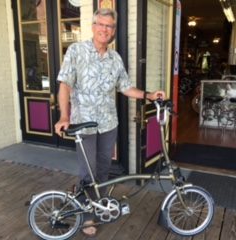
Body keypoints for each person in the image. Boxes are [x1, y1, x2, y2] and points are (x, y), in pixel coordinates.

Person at [55, 8, 165, 237]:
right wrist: (64, 116)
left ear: (113, 31)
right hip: (83, 124)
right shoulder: (76, 51)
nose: (105, 29)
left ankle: (96, 206)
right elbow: (64, 85)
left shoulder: (115, 58)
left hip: (108, 124)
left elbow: (125, 87)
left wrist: (149, 95)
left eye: (110, 26)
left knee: (103, 170)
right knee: (89, 172)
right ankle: (87, 218)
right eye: (101, 24)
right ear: (93, 26)